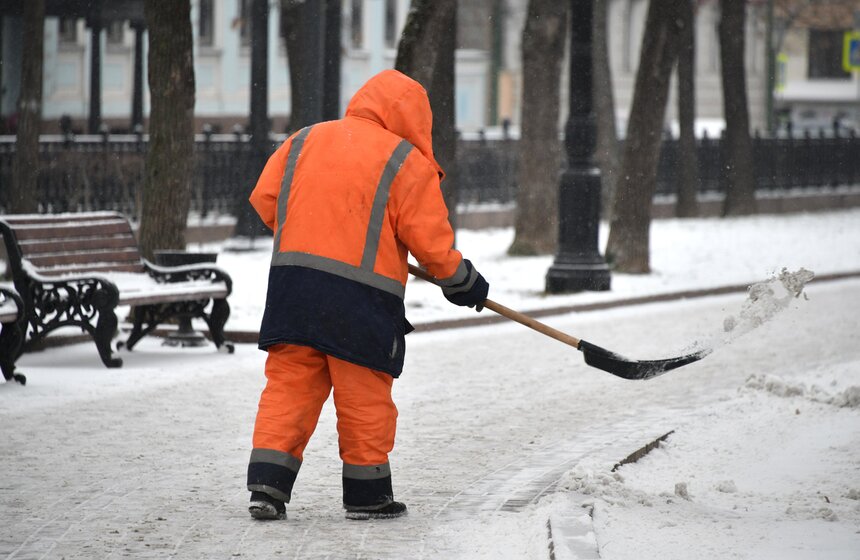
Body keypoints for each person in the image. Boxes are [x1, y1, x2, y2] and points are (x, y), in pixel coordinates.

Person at [245, 69, 489, 521]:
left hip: (294, 289)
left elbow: (265, 199)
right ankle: (366, 494)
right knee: (364, 395)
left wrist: (312, 232)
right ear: (416, 119)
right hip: (361, 299)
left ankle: (267, 485)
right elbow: (432, 246)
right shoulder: (405, 161)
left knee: (289, 387)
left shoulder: (304, 139)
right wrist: (463, 280)